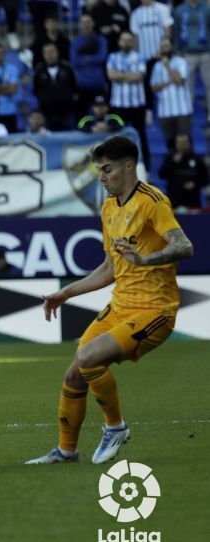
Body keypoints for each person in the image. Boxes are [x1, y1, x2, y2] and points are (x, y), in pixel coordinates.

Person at [27, 135, 194, 465]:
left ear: (128, 166)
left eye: (107, 170)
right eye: (99, 170)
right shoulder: (108, 207)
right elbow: (109, 268)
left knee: (89, 357)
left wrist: (145, 260)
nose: (101, 177)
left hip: (155, 310)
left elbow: (184, 246)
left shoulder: (152, 201)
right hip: (120, 306)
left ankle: (115, 427)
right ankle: (66, 451)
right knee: (74, 374)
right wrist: (65, 293)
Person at [107, 32, 151, 169]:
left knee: (141, 135)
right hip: (118, 105)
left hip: (137, 105)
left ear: (132, 43)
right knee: (116, 137)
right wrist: (128, 75)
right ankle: (117, 167)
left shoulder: (140, 56)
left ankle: (145, 167)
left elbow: (138, 76)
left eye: (128, 40)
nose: (126, 42)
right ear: (119, 42)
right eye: (123, 40)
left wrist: (120, 76)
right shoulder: (112, 57)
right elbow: (111, 75)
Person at [150, 37, 193, 148]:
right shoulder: (156, 66)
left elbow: (179, 81)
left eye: (167, 46)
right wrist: (169, 81)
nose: (165, 48)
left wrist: (168, 66)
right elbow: (153, 87)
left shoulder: (181, 62)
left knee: (186, 143)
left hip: (182, 110)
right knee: (170, 144)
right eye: (162, 47)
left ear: (172, 47)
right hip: (165, 111)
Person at [158, 133, 209, 210]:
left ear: (189, 144)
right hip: (174, 202)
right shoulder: (170, 158)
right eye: (179, 143)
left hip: (193, 202)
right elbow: (161, 175)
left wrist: (195, 184)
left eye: (184, 143)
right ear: (175, 144)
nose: (181, 146)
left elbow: (206, 179)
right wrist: (172, 162)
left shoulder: (197, 159)